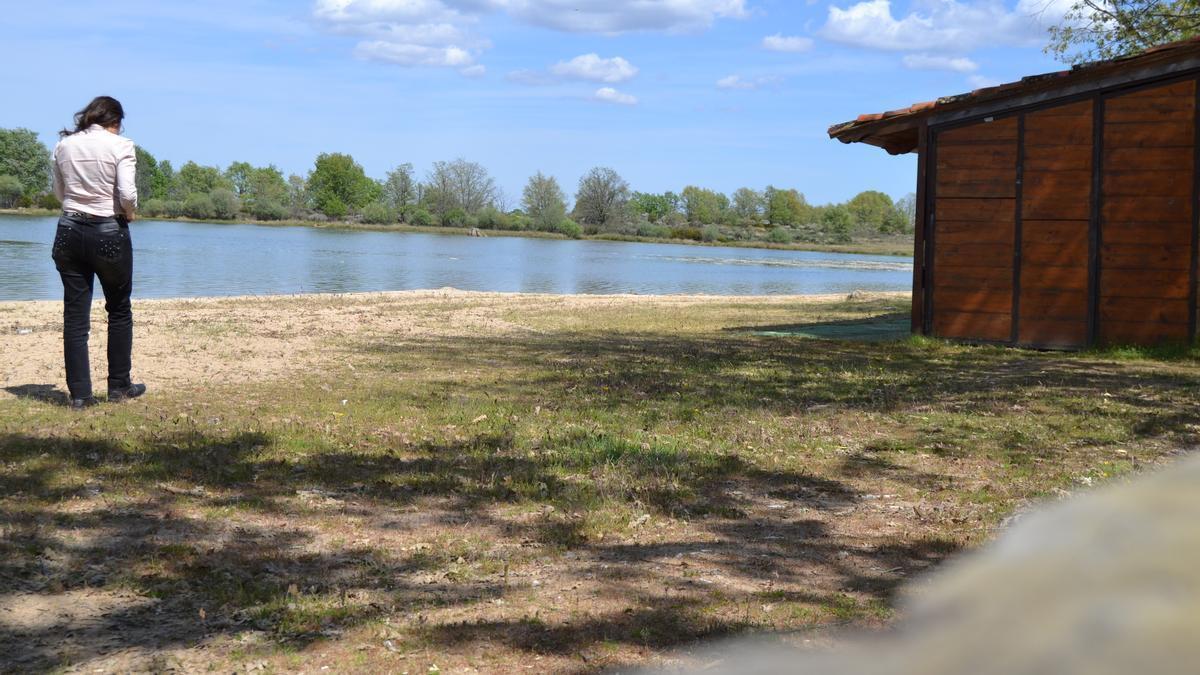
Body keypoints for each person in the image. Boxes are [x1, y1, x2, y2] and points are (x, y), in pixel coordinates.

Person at [51, 96, 146, 410]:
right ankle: (119, 387)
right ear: (115, 120)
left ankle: (80, 395)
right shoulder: (120, 145)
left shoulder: (63, 146)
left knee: (75, 318)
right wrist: (129, 213)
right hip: (108, 231)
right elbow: (128, 193)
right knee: (118, 310)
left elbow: (59, 192)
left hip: (68, 229)